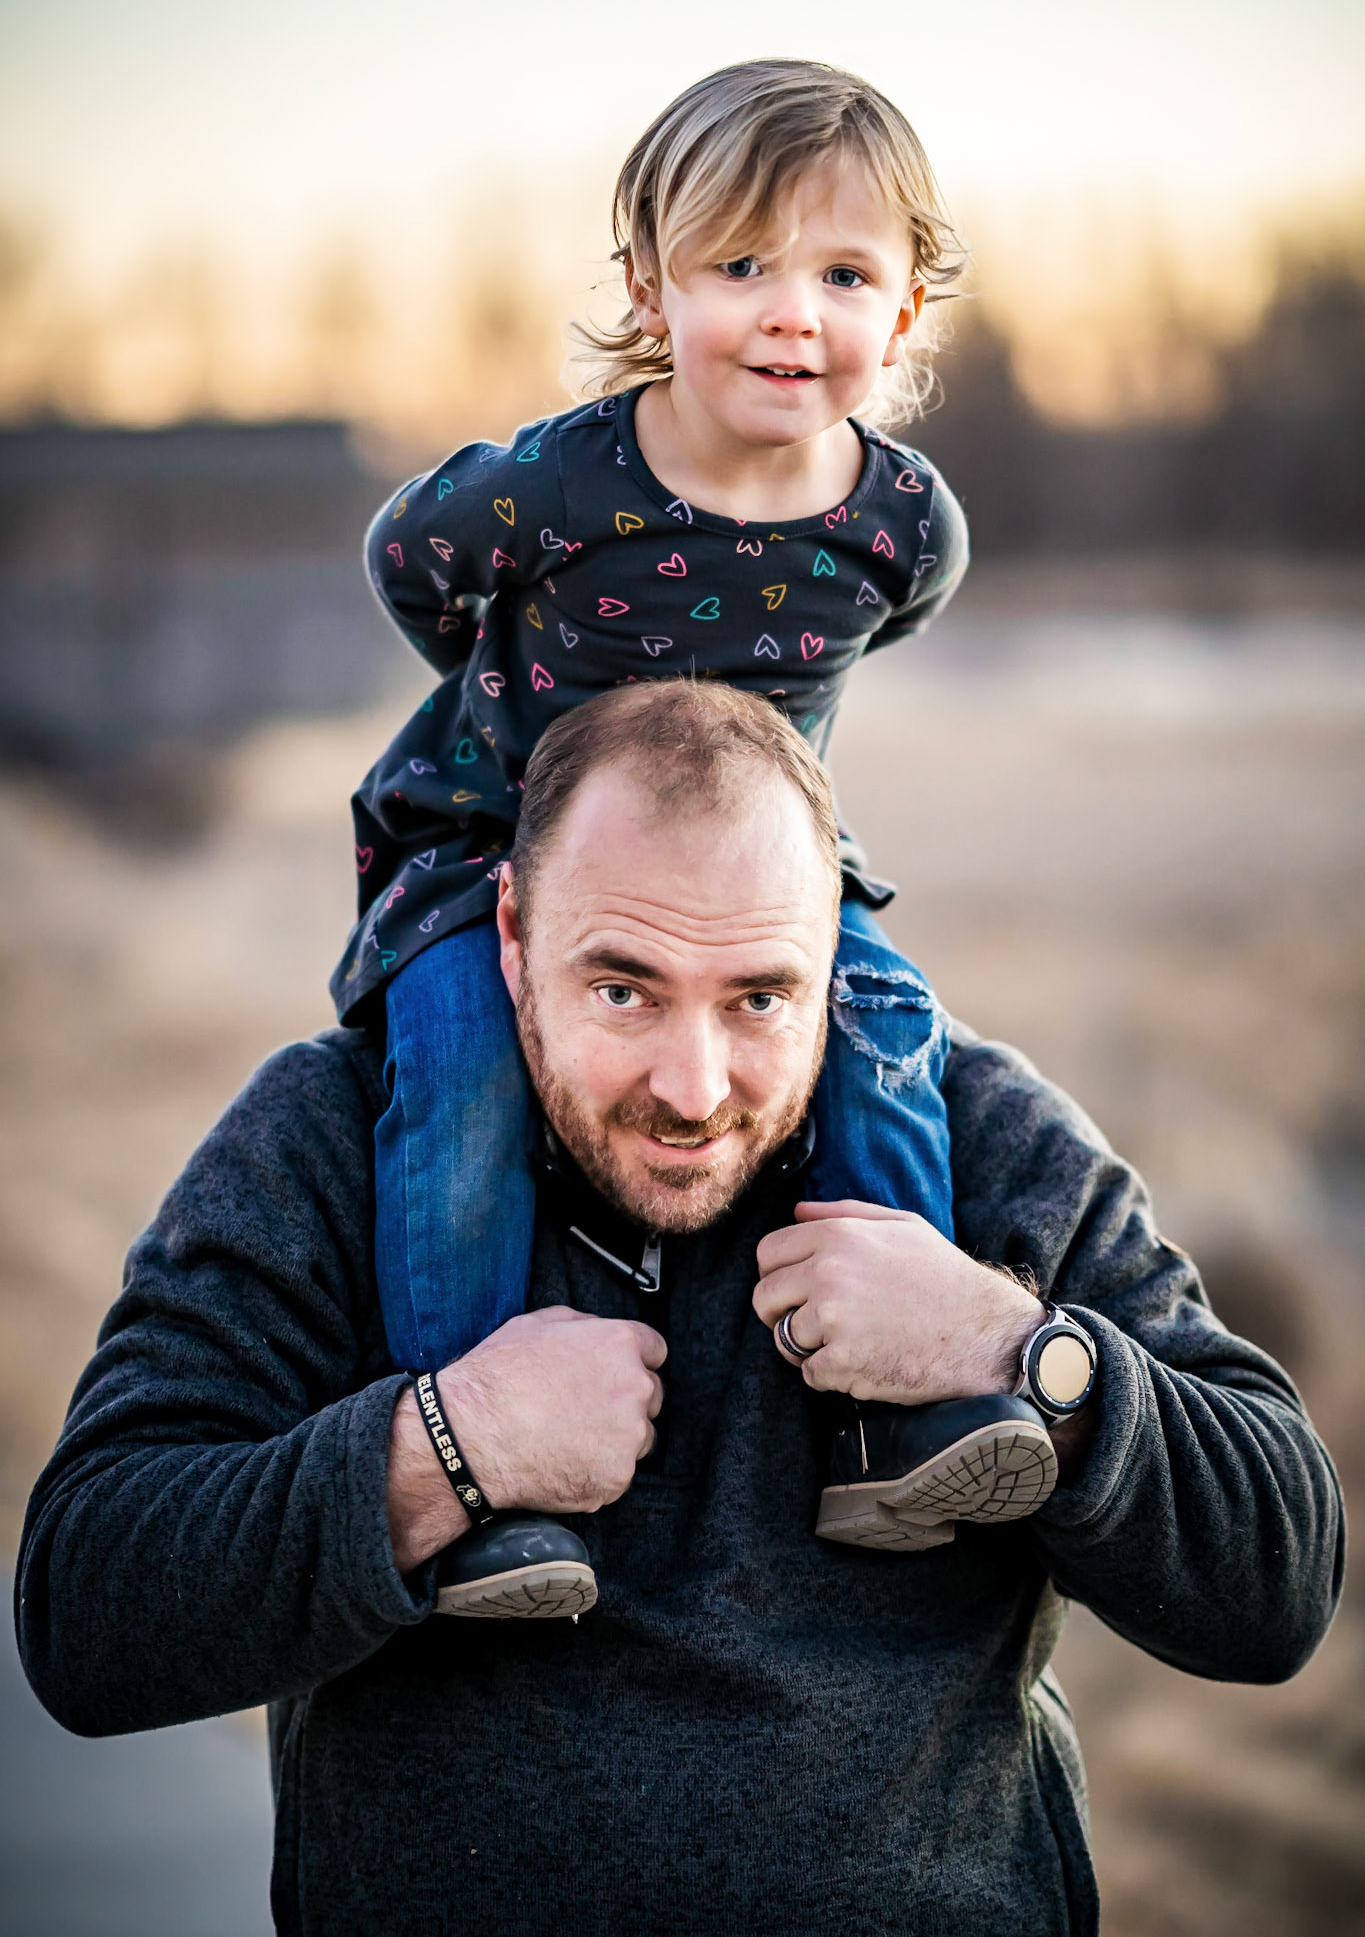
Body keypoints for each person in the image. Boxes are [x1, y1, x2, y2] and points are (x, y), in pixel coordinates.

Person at [16, 680, 1343, 1937]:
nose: (694, 1087)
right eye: (622, 989)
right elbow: (91, 1614)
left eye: (760, 998)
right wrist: (446, 1449)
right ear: (512, 933)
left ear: (836, 955)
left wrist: (1015, 1351)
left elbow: (1275, 1583)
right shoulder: (332, 1143)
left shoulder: (974, 1139)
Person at [337, 60, 1053, 1611]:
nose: (791, 312)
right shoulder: (558, 484)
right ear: (649, 288)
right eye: (739, 266)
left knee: (884, 1020)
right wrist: (507, 709)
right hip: (502, 848)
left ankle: (891, 1412)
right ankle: (495, 1476)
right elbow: (412, 562)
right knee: (457, 1061)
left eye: (843, 274)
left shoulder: (900, 523)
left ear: (907, 314)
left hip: (757, 887)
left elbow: (886, 627)